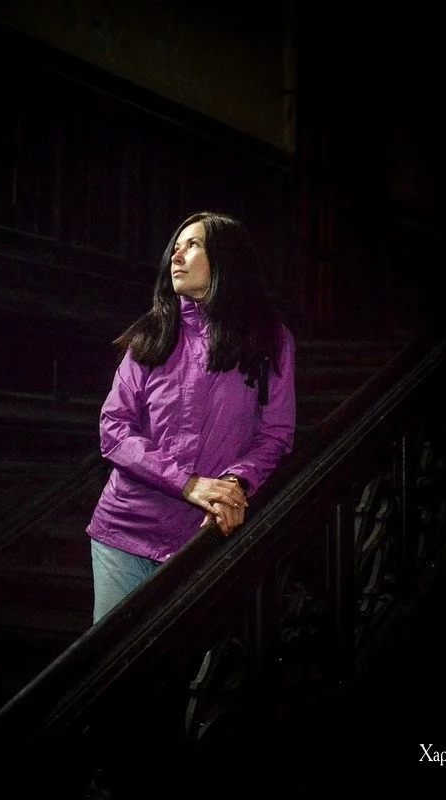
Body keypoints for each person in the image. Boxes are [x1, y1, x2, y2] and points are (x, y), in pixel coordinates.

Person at [87, 211, 296, 623]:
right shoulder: (152, 333)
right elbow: (113, 429)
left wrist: (235, 483)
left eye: (193, 245)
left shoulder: (271, 340)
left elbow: (274, 434)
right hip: (123, 529)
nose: (176, 257)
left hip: (202, 537)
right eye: (175, 248)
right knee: (115, 658)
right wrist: (188, 483)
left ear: (226, 259)